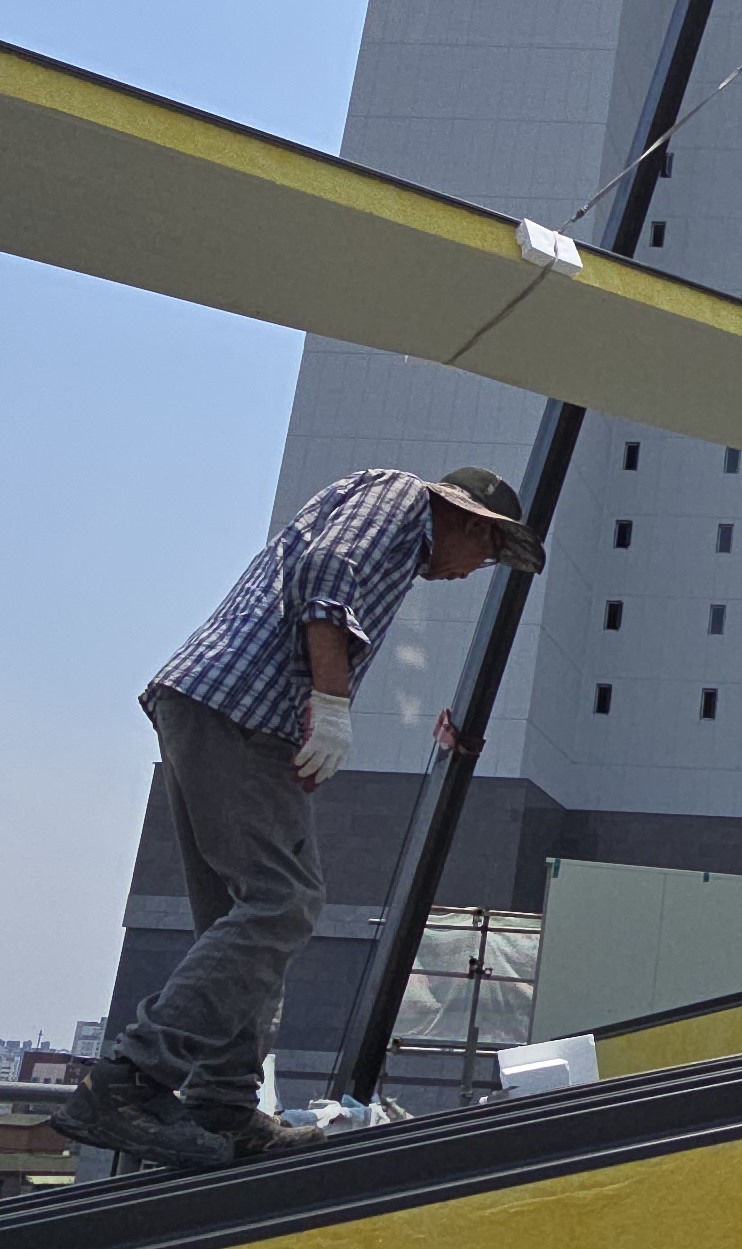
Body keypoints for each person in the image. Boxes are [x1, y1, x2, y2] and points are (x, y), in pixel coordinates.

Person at [53, 465, 544, 1168]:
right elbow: (327, 571)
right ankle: (128, 1081)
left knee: (244, 917)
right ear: (469, 520)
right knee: (284, 902)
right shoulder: (402, 498)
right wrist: (331, 706)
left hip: (226, 713)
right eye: (488, 552)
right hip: (237, 711)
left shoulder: (403, 543)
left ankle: (222, 1103)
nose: (473, 572)